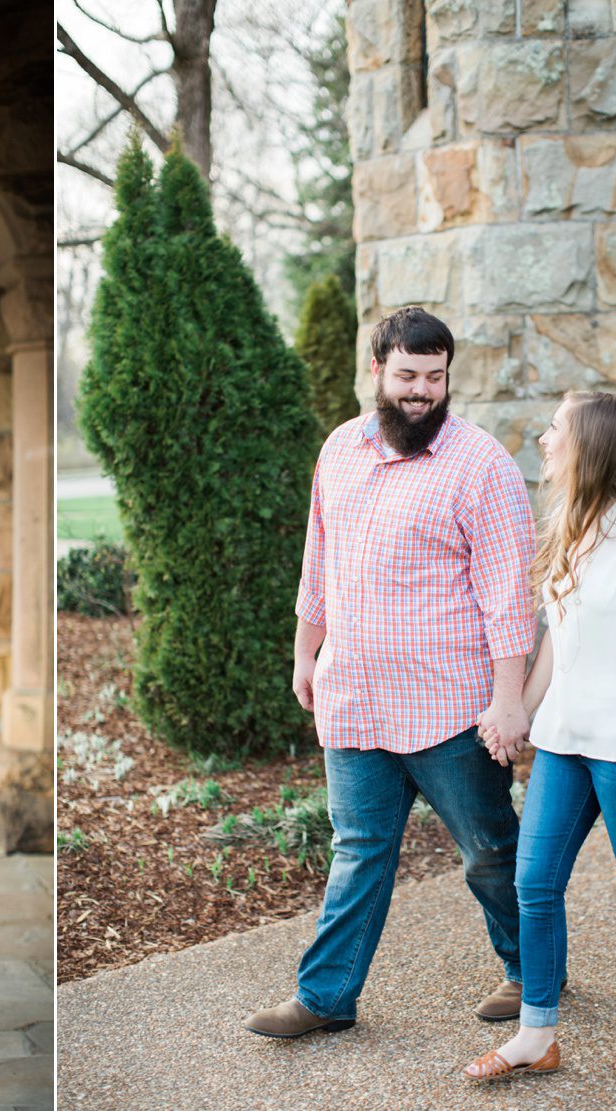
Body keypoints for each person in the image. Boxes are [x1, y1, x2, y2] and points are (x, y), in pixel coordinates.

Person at [244, 306, 538, 1039]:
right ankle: (325, 996)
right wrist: (303, 651)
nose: (421, 393)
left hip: (451, 711)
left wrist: (510, 702)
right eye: (407, 376)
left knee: (490, 851)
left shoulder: (483, 465)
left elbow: (509, 599)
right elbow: (321, 562)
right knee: (358, 851)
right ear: (377, 370)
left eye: (434, 379)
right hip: (356, 701)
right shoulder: (340, 449)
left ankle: (535, 970)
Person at [463, 391, 616, 1082]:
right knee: (535, 881)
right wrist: (515, 708)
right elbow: (556, 643)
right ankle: (536, 1034)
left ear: (592, 444)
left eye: (555, 429)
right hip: (567, 741)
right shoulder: (573, 521)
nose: (543, 438)